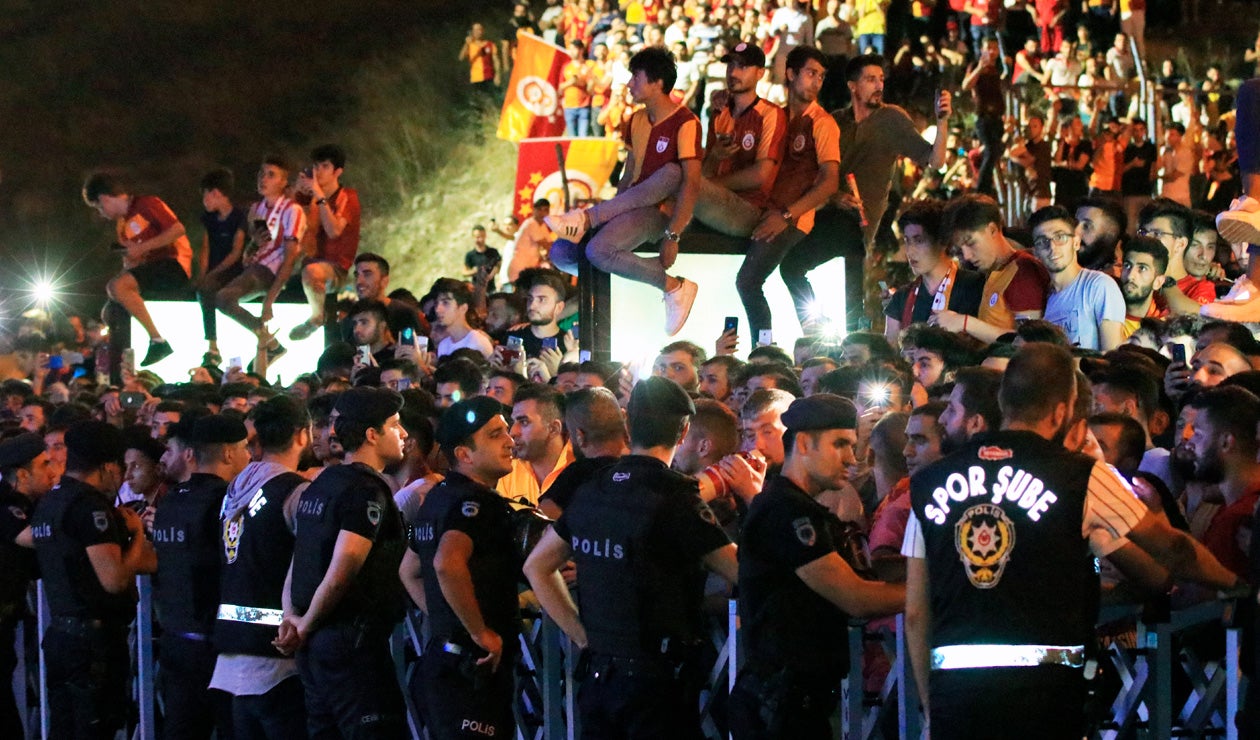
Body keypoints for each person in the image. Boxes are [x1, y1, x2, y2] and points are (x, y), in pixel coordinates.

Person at [903, 343, 1241, 739]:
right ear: (1063, 411)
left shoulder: (927, 484)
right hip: (1045, 689)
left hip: (957, 692)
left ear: (1003, 400)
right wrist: (1238, 585)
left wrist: (931, 704)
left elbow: (915, 612)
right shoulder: (1081, 476)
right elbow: (1172, 549)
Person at [524, 376, 738, 738]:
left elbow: (537, 566)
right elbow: (741, 570)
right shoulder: (676, 498)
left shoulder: (593, 489)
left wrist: (581, 635)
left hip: (599, 675)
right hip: (657, 684)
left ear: (627, 423)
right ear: (683, 430)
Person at [729, 394, 905, 738]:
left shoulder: (796, 507)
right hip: (780, 705)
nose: (851, 459)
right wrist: (930, 590)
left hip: (793, 701)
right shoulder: (787, 511)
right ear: (805, 443)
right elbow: (856, 598)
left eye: (853, 445)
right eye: (839, 444)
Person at [780, 53, 952, 330]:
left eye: (881, 79)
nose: (879, 85)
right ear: (853, 85)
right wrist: (833, 195)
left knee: (846, 282)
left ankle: (851, 335)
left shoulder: (892, 120)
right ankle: (817, 327)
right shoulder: (835, 122)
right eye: (871, 79)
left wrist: (942, 122)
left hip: (857, 223)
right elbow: (809, 172)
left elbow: (936, 160)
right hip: (823, 214)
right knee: (790, 266)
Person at [545, 47, 703, 336]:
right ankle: (617, 258)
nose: (630, 84)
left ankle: (673, 287)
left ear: (657, 83)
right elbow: (629, 173)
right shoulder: (637, 120)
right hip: (632, 205)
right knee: (560, 252)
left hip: (660, 214)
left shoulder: (686, 122)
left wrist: (673, 234)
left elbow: (691, 183)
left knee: (598, 248)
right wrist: (614, 209)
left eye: (636, 77)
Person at [278, 387, 408, 737]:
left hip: (315, 644)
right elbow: (343, 567)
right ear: (371, 434)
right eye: (395, 425)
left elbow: (298, 560)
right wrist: (303, 624)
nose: (404, 434)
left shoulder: (322, 484)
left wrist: (293, 617)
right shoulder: (366, 490)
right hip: (351, 643)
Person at [32, 420, 158, 739]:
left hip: (61, 634)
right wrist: (139, 535)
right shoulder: (90, 507)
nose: (122, 476)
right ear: (106, 466)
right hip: (93, 644)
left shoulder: (51, 500)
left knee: (64, 727)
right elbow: (114, 579)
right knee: (95, 727)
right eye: (119, 467)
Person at [405, 396, 520, 740]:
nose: (510, 441)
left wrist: (448, 616)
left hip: (443, 660)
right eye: (495, 434)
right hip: (474, 668)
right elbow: (446, 562)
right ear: (464, 454)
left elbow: (409, 570)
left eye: (507, 431)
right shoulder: (478, 502)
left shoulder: (436, 497)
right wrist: (478, 631)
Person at [211, 396, 313, 739]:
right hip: (278, 659)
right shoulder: (296, 492)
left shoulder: (233, 490)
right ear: (303, 435)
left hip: (231, 657)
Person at [152, 415, 250, 740]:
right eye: (244, 448)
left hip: (175, 635)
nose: (249, 457)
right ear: (227, 453)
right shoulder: (226, 503)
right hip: (214, 644)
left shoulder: (170, 500)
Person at [734, 46, 841, 341]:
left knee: (748, 281)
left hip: (791, 218)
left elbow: (829, 182)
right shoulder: (777, 116)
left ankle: (765, 349)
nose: (817, 81)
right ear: (791, 74)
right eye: (810, 73)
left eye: (821, 76)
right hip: (763, 209)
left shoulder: (822, 122)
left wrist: (786, 215)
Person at [83, 172, 193, 366]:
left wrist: (142, 248)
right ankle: (121, 361)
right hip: (152, 268)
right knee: (110, 309)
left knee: (117, 287)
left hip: (174, 264)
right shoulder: (122, 225)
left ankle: (157, 340)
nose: (102, 213)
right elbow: (135, 261)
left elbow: (177, 230)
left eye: (100, 207)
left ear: (105, 198)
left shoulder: (148, 204)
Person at [215, 156, 307, 366]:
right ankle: (271, 344)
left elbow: (290, 256)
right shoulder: (257, 209)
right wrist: (252, 244)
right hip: (255, 266)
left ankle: (270, 342)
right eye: (261, 174)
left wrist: (270, 299)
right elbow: (256, 246)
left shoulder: (292, 210)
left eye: (271, 175)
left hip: (270, 271)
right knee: (218, 296)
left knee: (223, 297)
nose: (263, 179)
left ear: (284, 182)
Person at [693, 42, 786, 238]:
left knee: (681, 182)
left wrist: (710, 184)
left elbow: (761, 175)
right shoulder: (720, 111)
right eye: (730, 65)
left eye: (742, 67)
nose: (733, 72)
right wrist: (714, 158)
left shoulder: (770, 114)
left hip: (750, 208)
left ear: (760, 73)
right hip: (715, 200)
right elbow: (706, 170)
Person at [931, 194, 1049, 342]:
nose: (966, 256)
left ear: (992, 229)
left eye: (971, 242)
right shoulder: (994, 271)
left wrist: (965, 323)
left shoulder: (1022, 271)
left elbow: (1029, 342)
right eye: (961, 248)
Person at [0, 434, 55, 737]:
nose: (52, 470)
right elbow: (32, 538)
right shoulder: (7, 504)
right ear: (22, 475)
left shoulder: (24, 503)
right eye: (44, 464)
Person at [882, 199, 986, 341]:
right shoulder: (901, 298)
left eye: (919, 241)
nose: (910, 252)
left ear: (942, 241)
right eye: (907, 241)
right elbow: (891, 355)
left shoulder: (975, 286)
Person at [290, 144, 362, 342]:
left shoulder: (347, 196)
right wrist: (296, 193)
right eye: (316, 166)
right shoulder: (311, 198)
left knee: (312, 272)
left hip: (335, 267)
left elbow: (334, 231)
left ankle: (316, 317)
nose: (318, 171)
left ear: (337, 171)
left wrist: (319, 196)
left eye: (324, 166)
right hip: (309, 261)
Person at [1029, 205, 1125, 350]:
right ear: (1035, 252)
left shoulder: (1099, 285)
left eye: (1060, 237)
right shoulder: (1046, 299)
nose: (1052, 247)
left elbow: (1112, 354)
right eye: (1043, 241)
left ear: (1076, 242)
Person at [195, 168, 247, 365]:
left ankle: (212, 345)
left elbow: (236, 252)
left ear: (215, 193)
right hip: (214, 271)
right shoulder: (208, 219)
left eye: (205, 196)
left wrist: (213, 273)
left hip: (234, 270)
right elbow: (205, 248)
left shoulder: (239, 217)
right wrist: (203, 274)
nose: (204, 201)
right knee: (204, 290)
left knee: (210, 290)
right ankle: (212, 345)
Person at [498, 383, 574, 505]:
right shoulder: (509, 471)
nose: (512, 432)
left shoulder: (581, 470)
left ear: (554, 429)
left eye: (524, 422)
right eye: (514, 422)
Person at [340, 253, 425, 344]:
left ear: (384, 281)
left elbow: (417, 350)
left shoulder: (404, 314)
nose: (359, 281)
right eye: (357, 275)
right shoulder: (349, 320)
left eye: (367, 274)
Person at [432, 278, 495, 359]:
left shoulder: (478, 342)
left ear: (463, 308)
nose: (437, 309)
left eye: (445, 303)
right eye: (436, 303)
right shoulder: (443, 345)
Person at [1119, 236, 1169, 337]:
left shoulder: (1163, 329)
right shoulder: (1103, 308)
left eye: (1142, 268)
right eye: (1127, 266)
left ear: (1158, 282)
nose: (1130, 276)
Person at [460, 22, 502, 95]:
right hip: (476, 78)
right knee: (480, 99)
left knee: (493, 97)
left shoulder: (490, 44)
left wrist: (498, 75)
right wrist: (466, 44)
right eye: (475, 30)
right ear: (472, 32)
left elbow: (496, 61)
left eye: (479, 29)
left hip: (489, 77)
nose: (477, 32)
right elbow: (461, 58)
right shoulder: (470, 45)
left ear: (483, 31)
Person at [463, 225, 502, 292]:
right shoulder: (470, 255)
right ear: (473, 237)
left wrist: (494, 271)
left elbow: (499, 266)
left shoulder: (493, 252)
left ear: (485, 236)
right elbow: (464, 272)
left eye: (482, 236)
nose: (480, 239)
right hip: (476, 291)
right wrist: (474, 271)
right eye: (477, 237)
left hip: (491, 290)